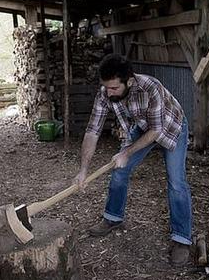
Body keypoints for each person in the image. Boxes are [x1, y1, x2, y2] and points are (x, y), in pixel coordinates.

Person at [73, 53, 193, 266]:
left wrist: (126, 152)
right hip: (144, 126)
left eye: (114, 89)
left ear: (129, 82)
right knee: (119, 170)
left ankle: (182, 238)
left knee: (176, 181)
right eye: (106, 88)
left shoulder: (150, 87)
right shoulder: (105, 93)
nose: (108, 94)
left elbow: (156, 131)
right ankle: (113, 217)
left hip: (171, 126)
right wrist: (83, 170)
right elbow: (92, 131)